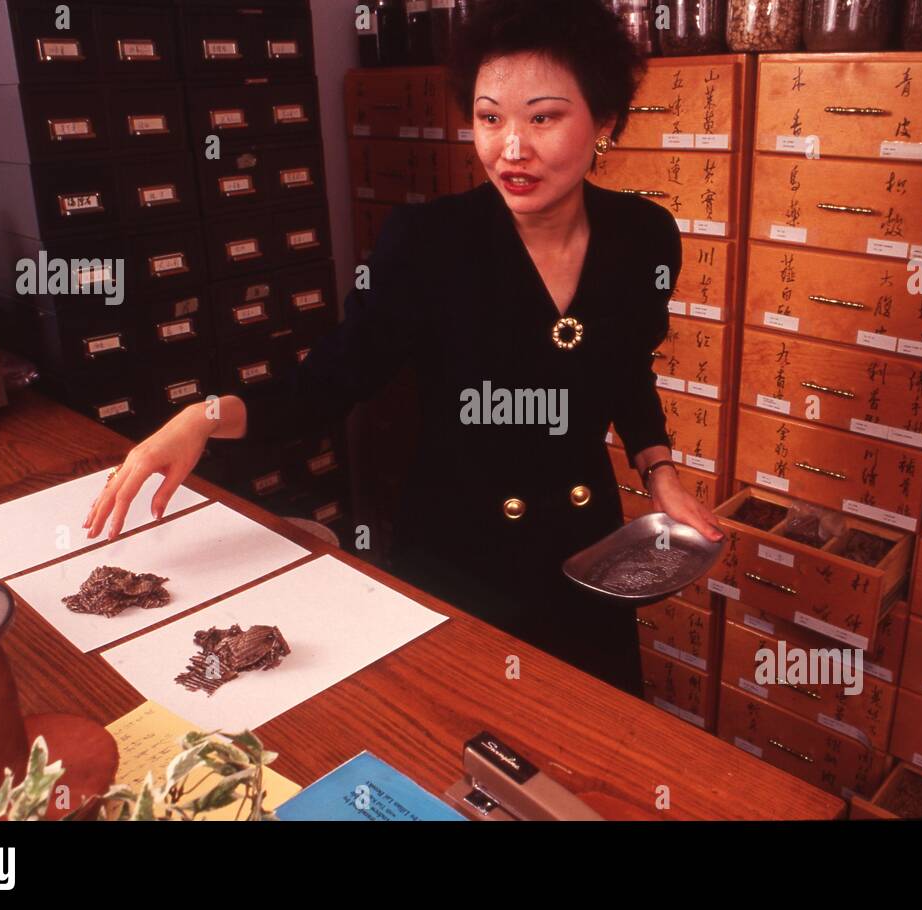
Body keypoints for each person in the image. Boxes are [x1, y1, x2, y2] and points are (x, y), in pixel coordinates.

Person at [84, 0, 723, 697]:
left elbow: (626, 368)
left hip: (586, 551)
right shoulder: (430, 244)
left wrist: (658, 470)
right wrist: (203, 416)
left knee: (590, 759)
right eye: (489, 117)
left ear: (604, 122)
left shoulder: (642, 237)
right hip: (460, 559)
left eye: (542, 117)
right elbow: (329, 382)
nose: (511, 147)